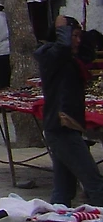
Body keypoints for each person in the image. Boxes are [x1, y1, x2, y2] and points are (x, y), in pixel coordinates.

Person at [34, 15, 103, 207]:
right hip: (61, 127)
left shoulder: (70, 59)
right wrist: (62, 26)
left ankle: (57, 217)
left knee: (64, 189)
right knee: (94, 182)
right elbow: (63, 46)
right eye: (75, 36)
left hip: (68, 127)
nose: (78, 41)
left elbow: (87, 53)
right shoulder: (51, 55)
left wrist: (83, 33)